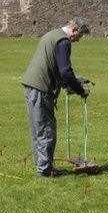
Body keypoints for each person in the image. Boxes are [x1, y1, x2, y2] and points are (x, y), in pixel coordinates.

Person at [21, 18, 91, 177]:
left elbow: (56, 67)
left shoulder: (52, 34)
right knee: (46, 130)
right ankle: (45, 170)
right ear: (74, 30)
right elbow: (66, 71)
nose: (78, 40)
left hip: (31, 85)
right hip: (41, 88)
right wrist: (81, 91)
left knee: (37, 130)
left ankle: (42, 166)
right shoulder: (63, 41)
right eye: (79, 35)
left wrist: (65, 85)